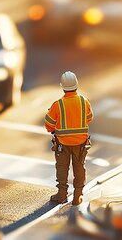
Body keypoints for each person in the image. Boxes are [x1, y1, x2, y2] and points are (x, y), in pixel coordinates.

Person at [44, 71, 93, 205]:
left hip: (62, 144)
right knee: (79, 167)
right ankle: (77, 196)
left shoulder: (57, 105)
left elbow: (48, 124)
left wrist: (55, 129)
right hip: (80, 143)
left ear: (63, 87)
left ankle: (62, 195)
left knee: (62, 168)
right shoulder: (84, 102)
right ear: (76, 85)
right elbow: (89, 118)